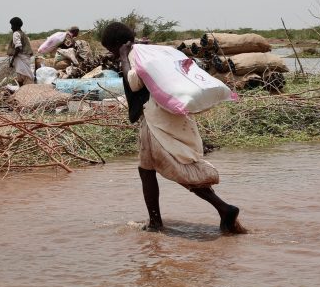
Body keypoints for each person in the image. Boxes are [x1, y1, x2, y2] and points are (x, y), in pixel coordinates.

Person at [100, 22, 246, 234]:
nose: (111, 54)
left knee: (176, 168)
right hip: (172, 115)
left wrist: (123, 57)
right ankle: (157, 221)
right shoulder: (151, 52)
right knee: (148, 170)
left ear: (118, 45)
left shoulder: (134, 56)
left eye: (111, 49)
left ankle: (223, 208)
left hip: (156, 120)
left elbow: (133, 83)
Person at [7, 17, 35, 85]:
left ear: (16, 25)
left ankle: (26, 89)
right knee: (27, 74)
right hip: (26, 57)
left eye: (12, 25)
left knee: (22, 74)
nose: (11, 27)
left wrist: (12, 60)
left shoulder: (16, 34)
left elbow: (18, 47)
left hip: (21, 57)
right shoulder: (23, 34)